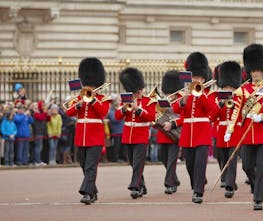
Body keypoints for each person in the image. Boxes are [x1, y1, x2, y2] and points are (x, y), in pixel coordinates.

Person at [225, 43, 263, 211]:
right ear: (249, 70)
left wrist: (262, 117)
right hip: (247, 136)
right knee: (247, 166)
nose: (255, 73)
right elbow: (236, 112)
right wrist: (229, 130)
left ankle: (258, 198)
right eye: (253, 70)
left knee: (262, 166)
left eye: (258, 70)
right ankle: (256, 184)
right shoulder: (242, 91)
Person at [65, 57, 111, 205]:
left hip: (95, 137)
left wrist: (92, 100)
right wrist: (78, 105)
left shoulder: (103, 98)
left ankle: (86, 192)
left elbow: (103, 112)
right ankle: (93, 191)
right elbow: (68, 113)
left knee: (91, 166)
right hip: (81, 136)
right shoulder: (79, 97)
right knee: (84, 165)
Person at [172, 52, 216, 204]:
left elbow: (211, 108)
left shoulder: (209, 94)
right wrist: (183, 100)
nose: (196, 80)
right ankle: (198, 182)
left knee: (199, 164)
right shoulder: (186, 92)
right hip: (188, 134)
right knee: (190, 164)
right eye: (194, 77)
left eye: (199, 78)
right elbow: (176, 109)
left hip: (202, 133)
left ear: (204, 78)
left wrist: (201, 94)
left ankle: (198, 192)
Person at [115, 67, 156, 199]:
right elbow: (117, 116)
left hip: (141, 135)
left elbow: (151, 117)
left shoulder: (148, 101)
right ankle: (142, 186)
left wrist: (138, 109)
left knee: (138, 163)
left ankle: (135, 187)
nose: (136, 94)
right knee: (133, 164)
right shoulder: (125, 101)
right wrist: (124, 108)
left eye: (137, 91)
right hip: (128, 135)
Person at [210, 61, 243, 198]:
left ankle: (230, 185)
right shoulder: (218, 98)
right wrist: (220, 104)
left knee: (232, 159)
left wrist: (235, 103)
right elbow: (212, 116)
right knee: (221, 157)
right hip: (222, 132)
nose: (228, 88)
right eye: (226, 86)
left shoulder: (240, 97)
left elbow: (244, 114)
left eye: (231, 86)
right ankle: (228, 179)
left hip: (235, 131)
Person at [157, 71, 183, 195]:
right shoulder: (161, 101)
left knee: (172, 160)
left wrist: (172, 123)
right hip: (163, 134)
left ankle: (170, 184)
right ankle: (175, 179)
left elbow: (182, 116)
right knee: (163, 158)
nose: (168, 94)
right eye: (167, 92)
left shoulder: (181, 101)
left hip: (175, 135)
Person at [32, 101, 50, 166]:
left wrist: (48, 114)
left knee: (40, 147)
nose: (43, 106)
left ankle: (39, 160)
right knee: (38, 147)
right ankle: (36, 161)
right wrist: (45, 112)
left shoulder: (42, 112)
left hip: (42, 132)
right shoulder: (36, 113)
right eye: (42, 105)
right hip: (37, 132)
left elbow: (48, 119)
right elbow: (41, 118)